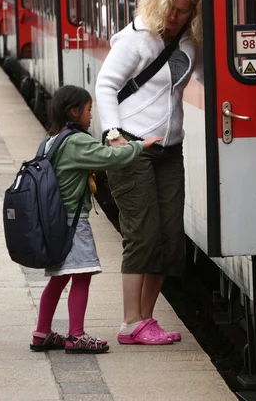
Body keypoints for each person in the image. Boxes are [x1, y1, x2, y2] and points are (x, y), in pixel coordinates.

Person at [95, 0, 203, 346]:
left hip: (169, 150)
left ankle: (146, 319)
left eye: (185, 11)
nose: (176, 17)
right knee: (142, 233)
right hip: (132, 148)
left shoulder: (189, 44)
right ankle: (130, 322)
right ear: (160, 3)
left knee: (170, 237)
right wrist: (113, 134)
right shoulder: (137, 39)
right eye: (172, 9)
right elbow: (106, 85)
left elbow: (209, 74)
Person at [30, 84, 162, 354]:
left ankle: (42, 332)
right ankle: (76, 335)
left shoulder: (53, 139)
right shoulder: (77, 140)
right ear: (73, 111)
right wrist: (140, 145)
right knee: (82, 275)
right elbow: (110, 157)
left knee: (58, 278)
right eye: (89, 110)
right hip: (73, 222)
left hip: (54, 221)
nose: (92, 116)